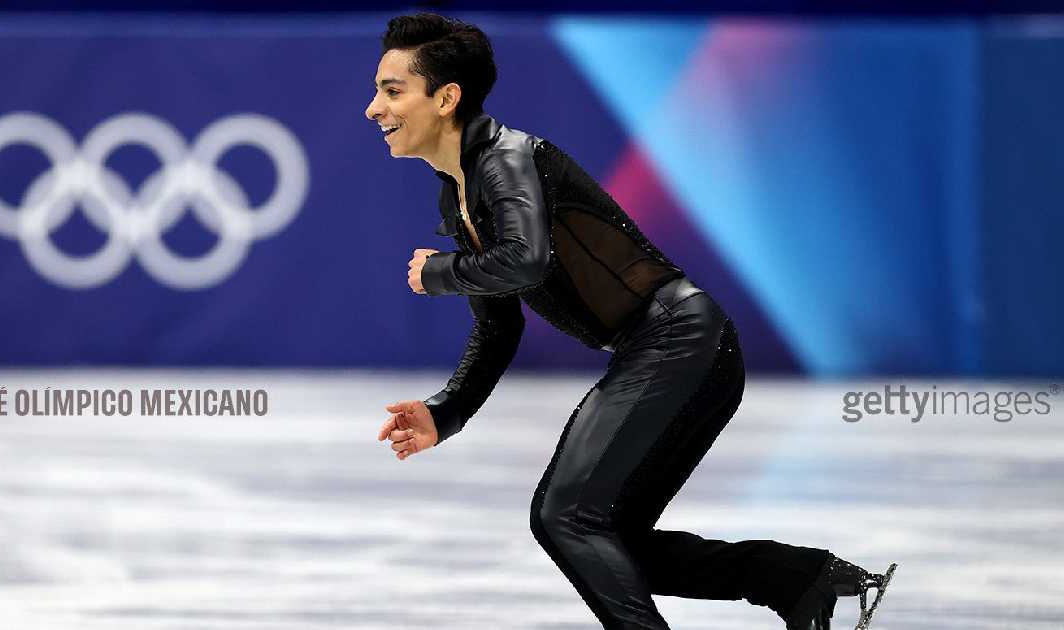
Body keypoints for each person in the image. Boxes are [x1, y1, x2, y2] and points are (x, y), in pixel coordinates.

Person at [367, 13, 895, 630]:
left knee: (566, 517)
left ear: (446, 98)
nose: (374, 108)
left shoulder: (505, 160)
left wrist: (443, 272)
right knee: (610, 542)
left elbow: (525, 259)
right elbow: (499, 325)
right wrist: (447, 410)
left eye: (392, 90)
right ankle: (799, 579)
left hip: (678, 339)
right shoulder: (458, 190)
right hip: (681, 347)